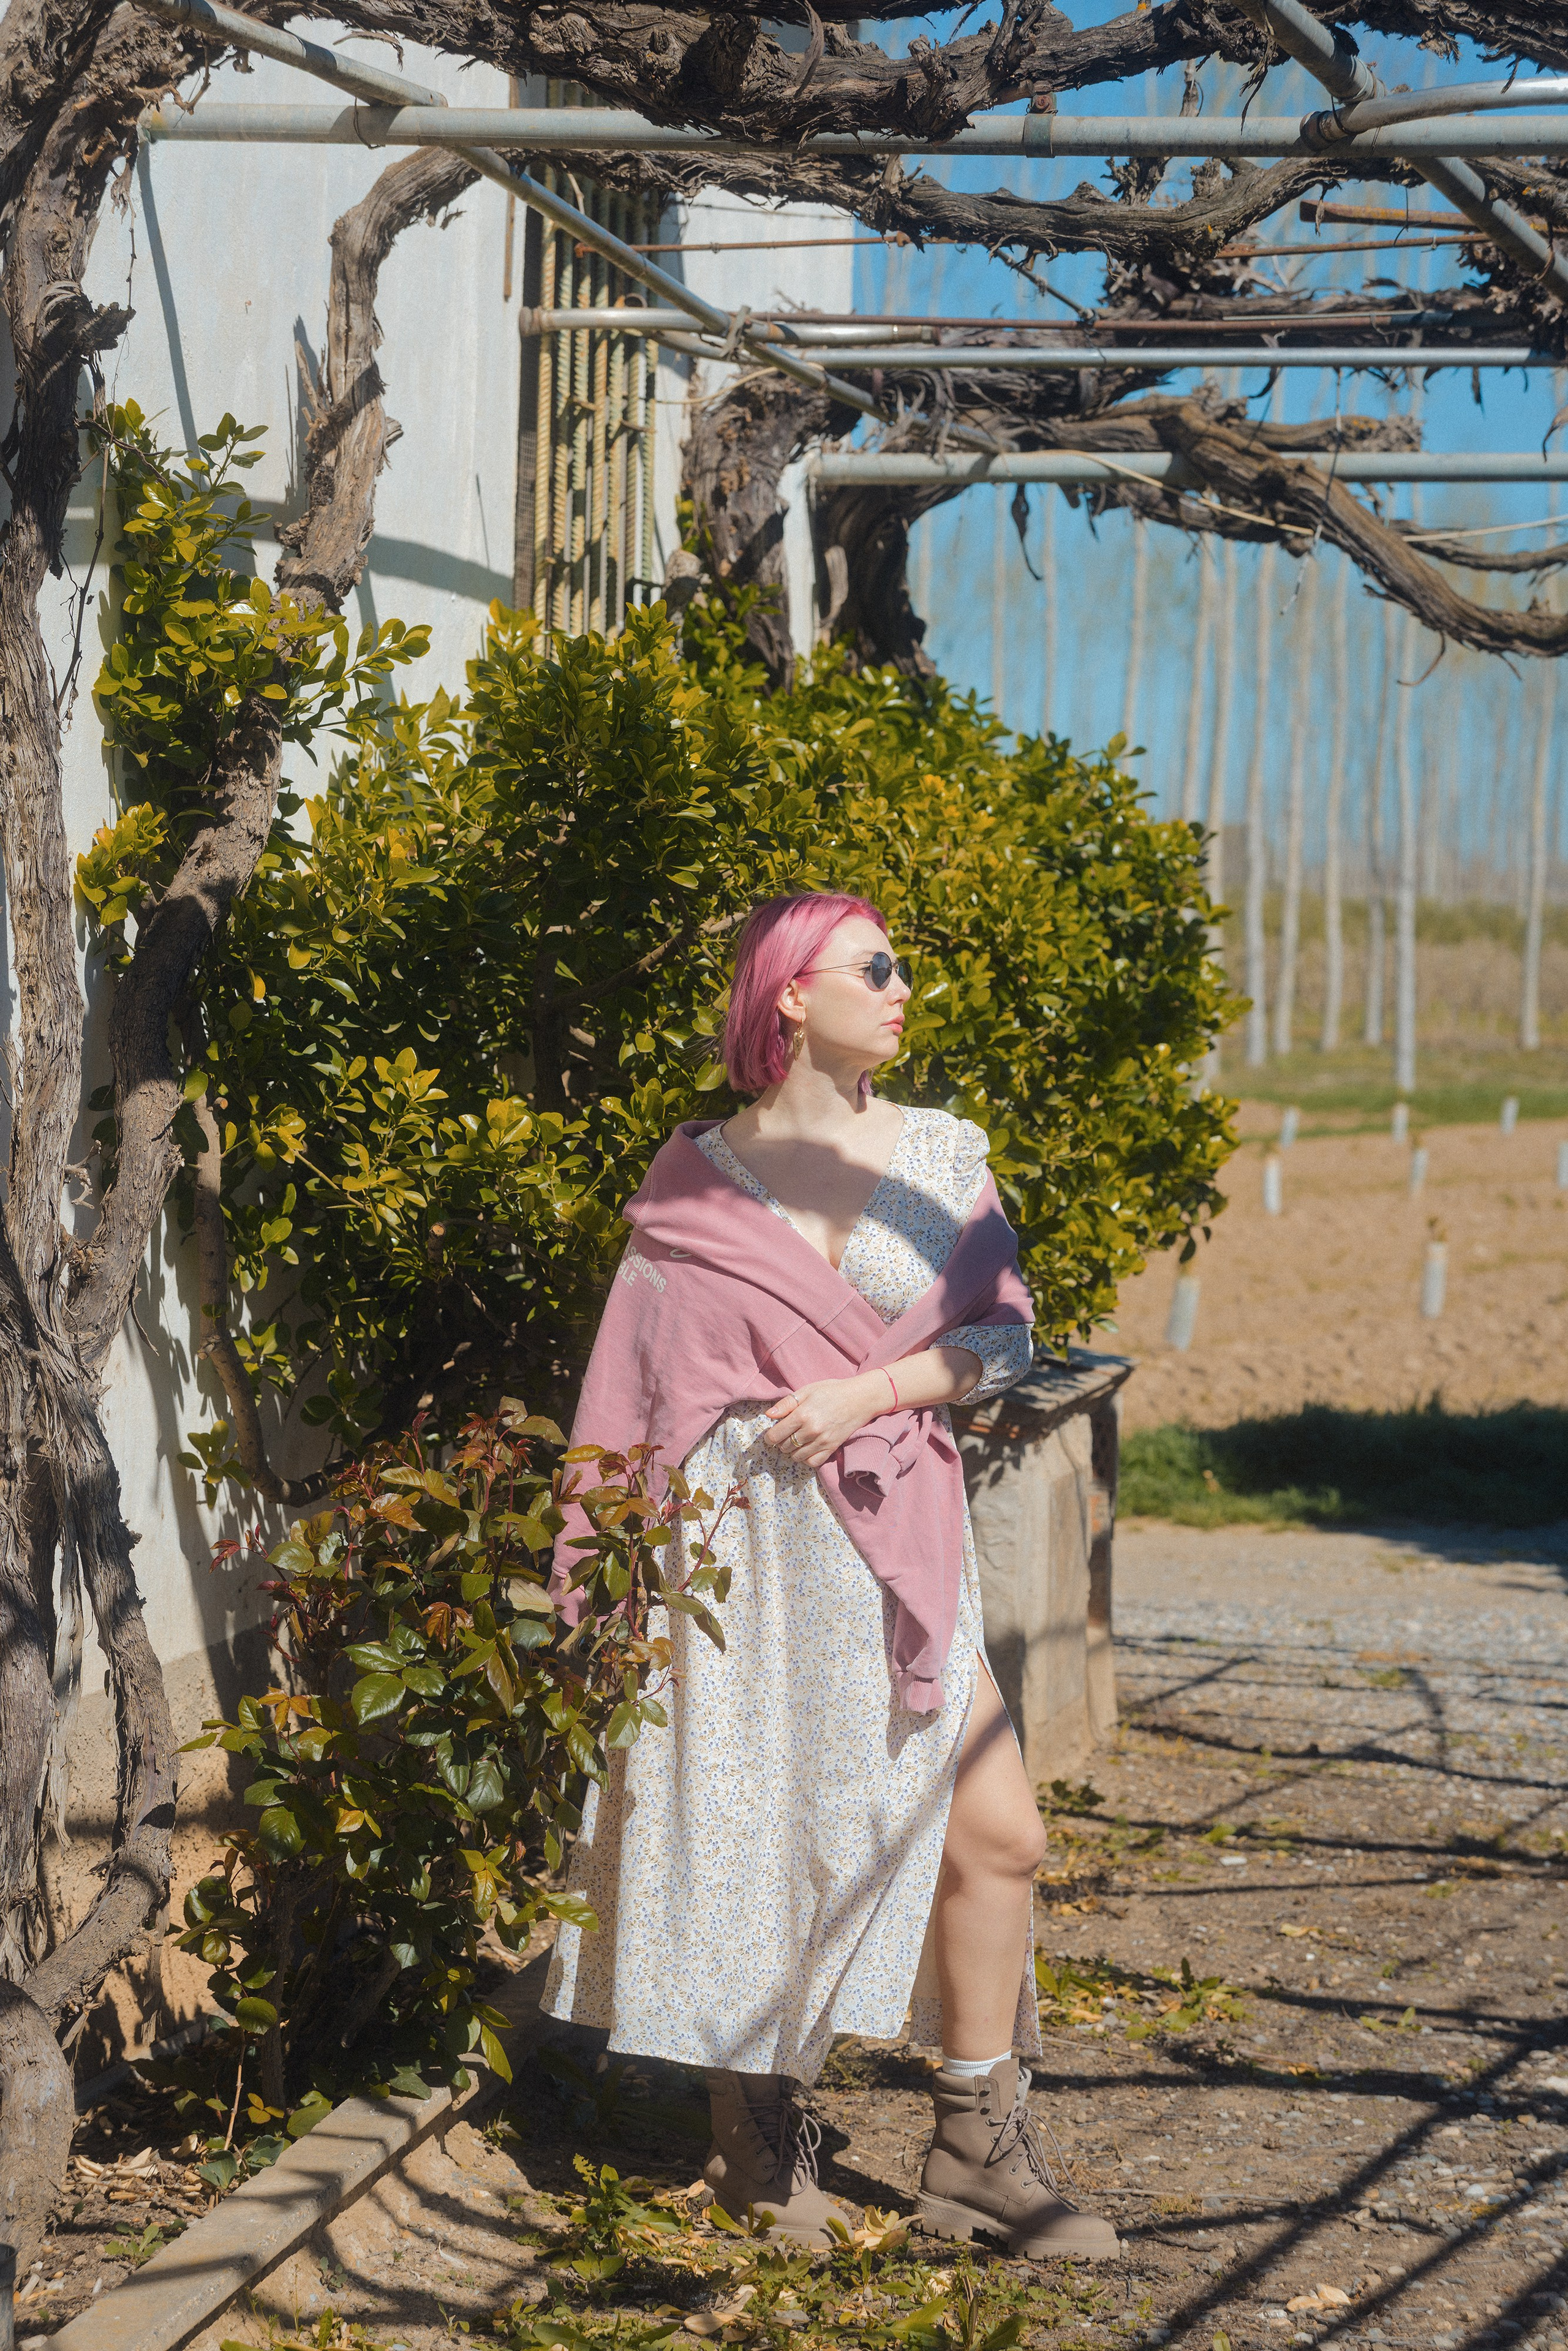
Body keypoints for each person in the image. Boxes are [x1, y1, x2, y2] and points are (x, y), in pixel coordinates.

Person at [543, 891, 1118, 2263]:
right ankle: (760, 2125)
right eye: (875, 966)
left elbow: (1002, 1344)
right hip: (735, 1549)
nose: (901, 985)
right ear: (789, 993)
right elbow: (628, 1388)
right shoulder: (694, 1176)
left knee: (999, 1832)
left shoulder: (936, 1154)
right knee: (761, 1835)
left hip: (892, 1540)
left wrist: (871, 1388)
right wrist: (600, 1576)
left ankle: (974, 2141)